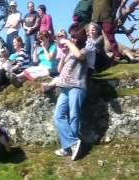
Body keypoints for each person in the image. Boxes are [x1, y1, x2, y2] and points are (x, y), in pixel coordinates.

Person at [53, 23, 89, 161]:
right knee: (58, 116)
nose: (71, 39)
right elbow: (60, 69)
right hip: (65, 87)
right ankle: (72, 144)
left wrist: (68, 42)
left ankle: (69, 148)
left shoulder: (87, 49)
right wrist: (64, 52)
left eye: (73, 36)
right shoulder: (70, 51)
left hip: (77, 87)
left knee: (74, 115)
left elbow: (79, 55)